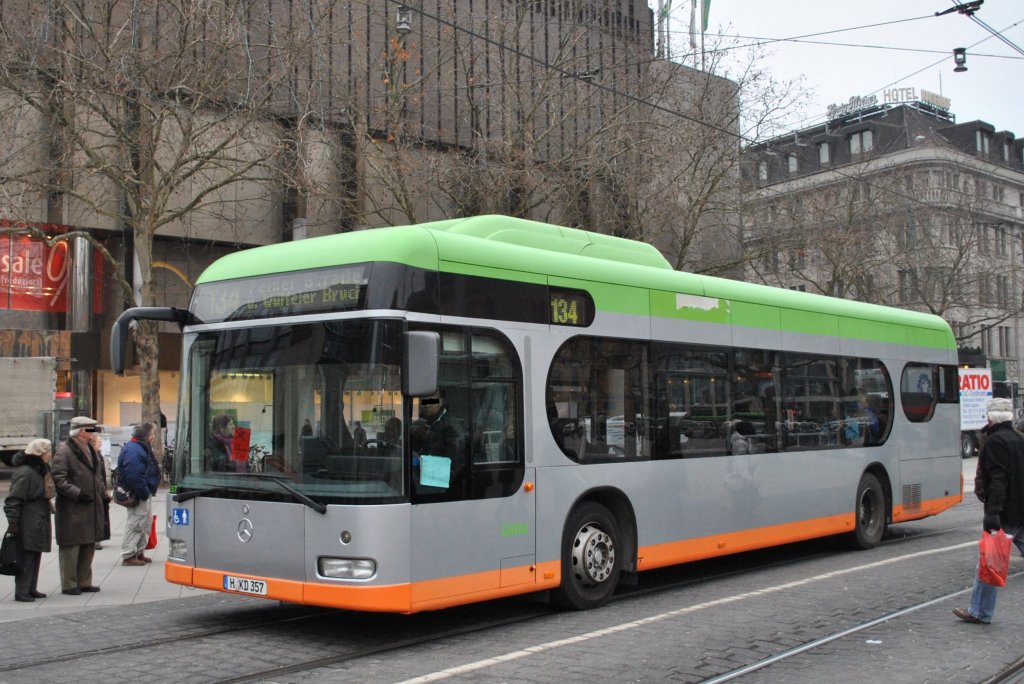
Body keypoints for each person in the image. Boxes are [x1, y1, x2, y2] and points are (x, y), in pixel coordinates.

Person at [954, 398, 1024, 624]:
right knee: (988, 562)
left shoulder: (995, 442)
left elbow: (998, 478)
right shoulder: (1018, 439)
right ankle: (979, 611)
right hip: (1021, 509)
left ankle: (980, 612)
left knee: (988, 562)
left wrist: (992, 512)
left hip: (1006, 512)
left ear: (991, 418)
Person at [51, 416, 107, 595]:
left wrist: (102, 493)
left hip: (90, 507)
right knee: (71, 547)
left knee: (88, 545)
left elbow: (97, 477)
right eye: (91, 429)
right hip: (73, 509)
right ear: (81, 431)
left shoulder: (91, 450)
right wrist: (78, 493)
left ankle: (84, 581)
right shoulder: (65, 452)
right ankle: (69, 583)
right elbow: (59, 479)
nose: (93, 432)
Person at [3, 438, 55, 602]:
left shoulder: (40, 469)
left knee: (35, 552)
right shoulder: (26, 472)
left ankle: (31, 588)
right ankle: (22, 591)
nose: (50, 454)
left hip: (37, 516)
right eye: (47, 452)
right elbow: (13, 499)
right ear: (39, 453)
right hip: (28, 518)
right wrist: (13, 523)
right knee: (25, 555)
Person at [117, 422, 162, 566]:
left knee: (144, 522)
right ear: (146, 436)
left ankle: (138, 552)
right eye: (152, 434)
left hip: (143, 492)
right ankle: (129, 554)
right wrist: (144, 492)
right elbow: (134, 476)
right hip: (138, 493)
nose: (154, 437)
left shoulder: (137, 448)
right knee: (136, 523)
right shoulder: (135, 450)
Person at [88, 428, 112, 550]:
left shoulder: (99, 456)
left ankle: (99, 537)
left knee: (101, 513)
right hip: (95, 491)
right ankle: (95, 539)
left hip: (100, 489)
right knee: (96, 514)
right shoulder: (92, 457)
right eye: (99, 442)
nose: (101, 444)